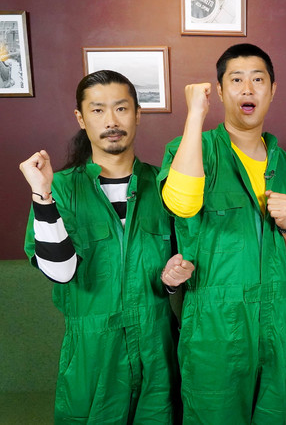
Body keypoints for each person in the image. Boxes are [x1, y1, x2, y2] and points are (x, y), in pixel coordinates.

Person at [20, 70, 194, 424]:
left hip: (157, 346)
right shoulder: (59, 188)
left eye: (121, 108)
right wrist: (42, 195)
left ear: (138, 114)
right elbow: (60, 272)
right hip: (92, 351)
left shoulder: (164, 185)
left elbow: (171, 270)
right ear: (81, 118)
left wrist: (172, 279)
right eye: (98, 110)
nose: (111, 121)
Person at [158, 43, 286, 424]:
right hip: (216, 321)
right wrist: (195, 115)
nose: (248, 89)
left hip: (278, 317)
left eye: (258, 80)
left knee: (274, 415)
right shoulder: (195, 149)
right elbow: (181, 203)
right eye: (236, 80)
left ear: (272, 90)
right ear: (221, 91)